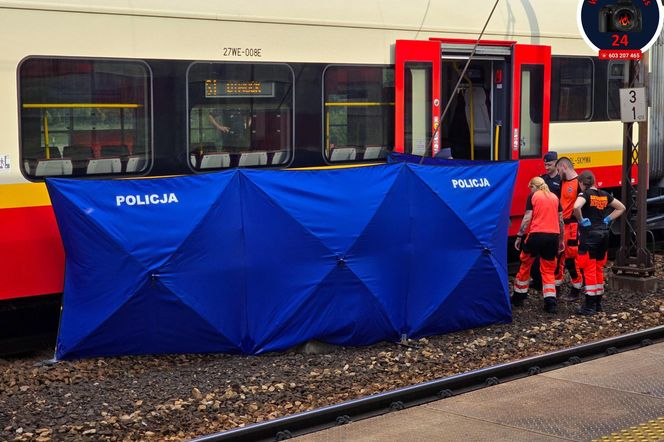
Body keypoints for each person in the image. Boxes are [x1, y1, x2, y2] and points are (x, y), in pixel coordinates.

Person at [573, 170, 625, 315]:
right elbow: (621, 207)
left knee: (588, 269)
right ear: (594, 182)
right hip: (604, 235)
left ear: (582, 183)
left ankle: (589, 306)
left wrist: (581, 219)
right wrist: (608, 219)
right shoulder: (604, 195)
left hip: (590, 236)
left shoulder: (585, 194)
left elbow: (576, 207)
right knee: (598, 269)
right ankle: (598, 303)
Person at [511, 177, 565, 313]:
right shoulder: (554, 197)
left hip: (536, 236)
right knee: (548, 269)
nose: (530, 190)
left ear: (535, 187)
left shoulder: (533, 196)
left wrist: (519, 235)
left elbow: (527, 217)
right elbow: (561, 221)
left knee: (525, 264)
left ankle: (518, 297)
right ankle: (550, 302)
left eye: (531, 188)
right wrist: (561, 240)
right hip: (553, 237)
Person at [530, 151, 563, 290]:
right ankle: (539, 281)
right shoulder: (542, 179)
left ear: (556, 163)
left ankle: (556, 281)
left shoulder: (561, 180)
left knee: (557, 256)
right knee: (539, 256)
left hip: (555, 220)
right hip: (543, 220)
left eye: (549, 164)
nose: (546, 167)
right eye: (545, 164)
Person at [555, 156, 584, 300]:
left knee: (572, 259)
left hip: (572, 226)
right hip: (562, 225)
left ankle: (576, 288)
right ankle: (556, 287)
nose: (557, 172)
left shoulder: (579, 183)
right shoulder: (562, 182)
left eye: (558, 169)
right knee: (559, 256)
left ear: (564, 167)